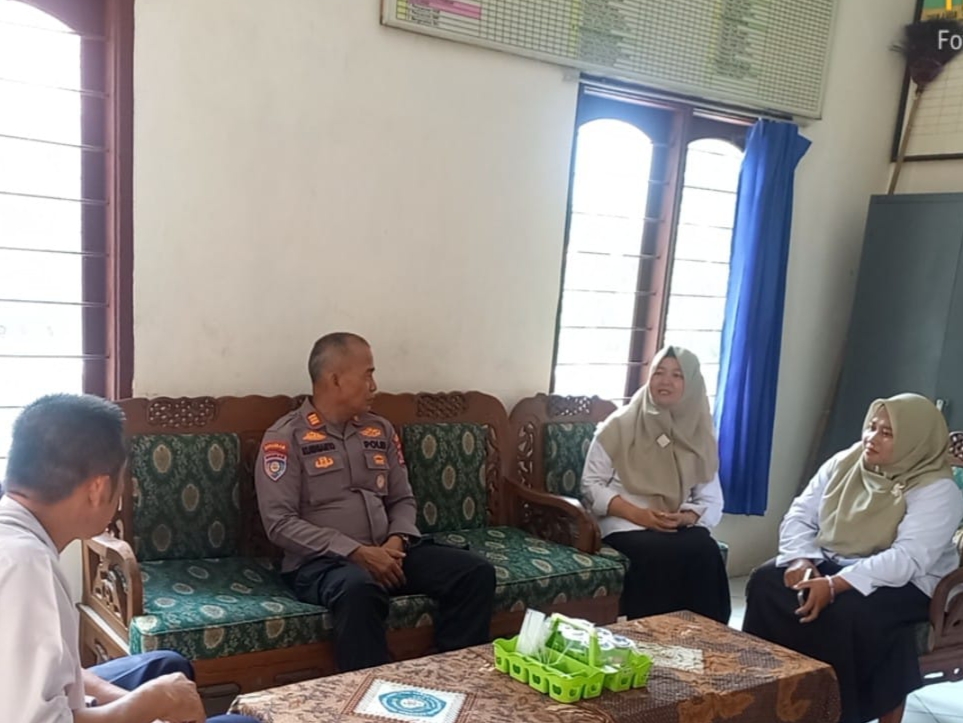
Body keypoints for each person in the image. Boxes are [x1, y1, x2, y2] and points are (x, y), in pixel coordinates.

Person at [0, 394, 258, 723]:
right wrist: (153, 702)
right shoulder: (25, 567)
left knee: (167, 665)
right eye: (123, 480)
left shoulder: (17, 536)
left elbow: (50, 671)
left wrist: (135, 702)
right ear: (97, 489)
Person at [256, 332, 496, 672]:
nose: (374, 386)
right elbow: (279, 523)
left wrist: (395, 542)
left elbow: (402, 499)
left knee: (474, 572)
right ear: (335, 379)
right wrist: (356, 552)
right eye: (367, 374)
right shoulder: (285, 437)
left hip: (390, 552)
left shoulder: (379, 429)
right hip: (324, 564)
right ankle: (372, 691)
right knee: (359, 590)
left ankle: (456, 675)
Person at [742, 393, 963, 723]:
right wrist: (801, 559)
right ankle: (762, 694)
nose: (871, 437)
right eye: (871, 427)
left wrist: (834, 585)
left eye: (887, 433)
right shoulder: (846, 462)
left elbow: (908, 558)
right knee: (767, 582)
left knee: (845, 613)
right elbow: (800, 513)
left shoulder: (937, 489)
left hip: (906, 582)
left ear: (914, 441)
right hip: (833, 560)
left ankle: (831, 711)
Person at [581, 346, 730, 623]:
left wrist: (686, 517)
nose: (665, 381)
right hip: (625, 522)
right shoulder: (620, 424)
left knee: (705, 548)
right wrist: (638, 514)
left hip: (672, 523)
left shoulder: (700, 433)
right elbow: (591, 484)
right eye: (659, 372)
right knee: (659, 554)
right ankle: (653, 637)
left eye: (677, 375)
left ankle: (706, 638)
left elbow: (711, 500)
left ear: (692, 384)